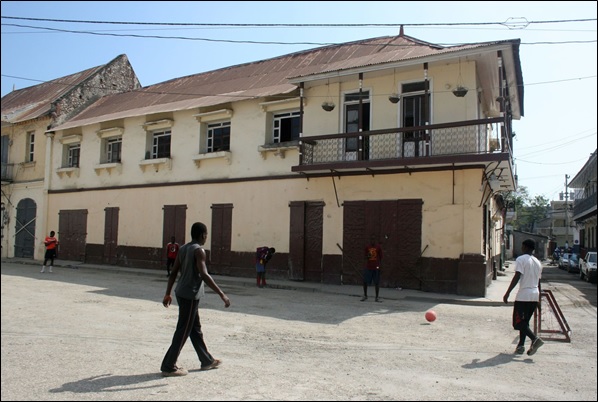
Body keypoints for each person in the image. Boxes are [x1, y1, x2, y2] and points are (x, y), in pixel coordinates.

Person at [160, 222, 231, 377]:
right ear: (202, 235)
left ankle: (206, 360)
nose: (206, 237)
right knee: (183, 330)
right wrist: (221, 294)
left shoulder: (184, 248)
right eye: (206, 235)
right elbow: (204, 275)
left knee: (194, 329)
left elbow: (173, 272)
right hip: (190, 295)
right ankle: (168, 365)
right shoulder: (199, 251)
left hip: (181, 292)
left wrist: (168, 293)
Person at [503, 238, 544, 356]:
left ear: (525, 247)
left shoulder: (521, 259)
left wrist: (508, 292)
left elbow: (517, 276)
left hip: (523, 295)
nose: (521, 248)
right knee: (525, 322)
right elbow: (539, 281)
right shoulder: (537, 262)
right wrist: (539, 299)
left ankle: (534, 339)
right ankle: (520, 345)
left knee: (517, 323)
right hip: (534, 295)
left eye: (522, 246)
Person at [361, 236, 383, 302]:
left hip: (376, 267)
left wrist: (380, 266)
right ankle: (365, 295)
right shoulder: (367, 247)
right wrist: (368, 256)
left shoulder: (378, 247)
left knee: (377, 282)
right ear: (370, 240)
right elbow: (365, 257)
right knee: (365, 281)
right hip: (369, 266)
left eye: (374, 240)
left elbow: (381, 257)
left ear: (375, 240)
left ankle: (377, 297)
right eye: (371, 239)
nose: (372, 241)